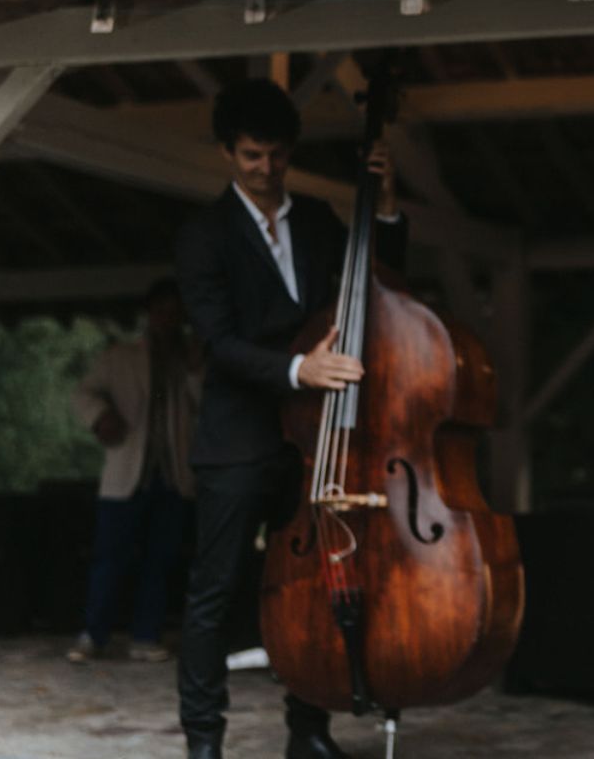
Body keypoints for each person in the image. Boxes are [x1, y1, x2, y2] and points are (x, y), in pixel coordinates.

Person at [174, 78, 406, 759]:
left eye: (276, 154)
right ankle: (204, 743)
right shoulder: (202, 236)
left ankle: (308, 731)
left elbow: (381, 290)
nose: (266, 168)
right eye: (251, 155)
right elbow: (218, 343)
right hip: (238, 441)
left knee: (309, 586)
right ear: (226, 152)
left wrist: (384, 206)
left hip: (314, 441)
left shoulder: (315, 221)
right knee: (213, 597)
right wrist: (299, 368)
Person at [66, 278, 200, 665]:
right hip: (126, 473)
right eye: (161, 313)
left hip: (172, 474)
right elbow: (83, 393)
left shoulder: (191, 359)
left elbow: (205, 403)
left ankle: (146, 635)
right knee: (110, 557)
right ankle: (94, 634)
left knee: (161, 559)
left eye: (175, 315)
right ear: (148, 315)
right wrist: (102, 417)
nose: (167, 321)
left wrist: (192, 368)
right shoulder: (120, 356)